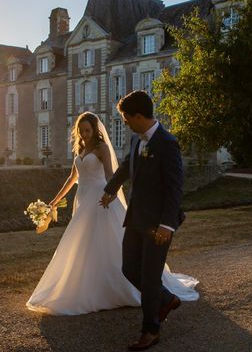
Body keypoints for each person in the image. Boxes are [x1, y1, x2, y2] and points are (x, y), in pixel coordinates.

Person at [26, 111, 198, 323]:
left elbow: (111, 174)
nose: (85, 135)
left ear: (95, 130)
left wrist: (111, 193)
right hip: (83, 198)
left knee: (107, 242)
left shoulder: (102, 148)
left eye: (88, 131)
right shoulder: (80, 147)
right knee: (83, 244)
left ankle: (128, 291)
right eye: (81, 131)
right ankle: (87, 285)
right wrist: (54, 201)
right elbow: (72, 178)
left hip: (100, 198)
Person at [100, 90, 188, 351]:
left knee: (149, 277)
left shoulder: (167, 143)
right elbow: (127, 166)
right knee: (129, 268)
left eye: (126, 118)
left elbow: (175, 188)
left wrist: (167, 225)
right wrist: (110, 188)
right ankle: (166, 299)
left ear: (138, 116)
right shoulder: (137, 140)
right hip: (136, 218)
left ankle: (151, 330)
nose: (124, 122)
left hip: (159, 224)